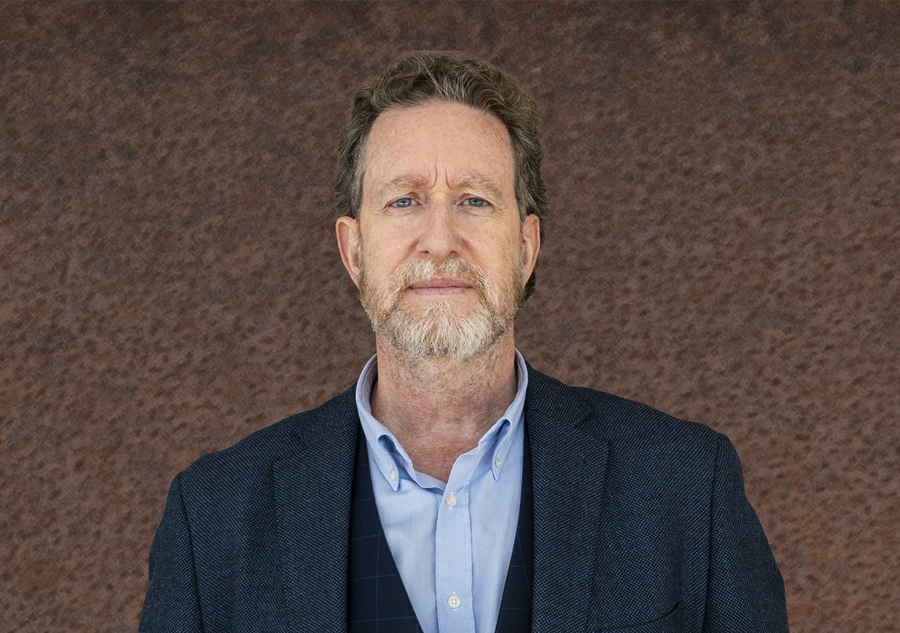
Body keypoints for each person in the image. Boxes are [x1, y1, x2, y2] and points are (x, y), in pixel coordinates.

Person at [140, 51, 788, 633]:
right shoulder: (214, 519)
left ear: (526, 247)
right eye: (404, 201)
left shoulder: (685, 486)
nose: (440, 240)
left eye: (474, 200)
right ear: (353, 250)